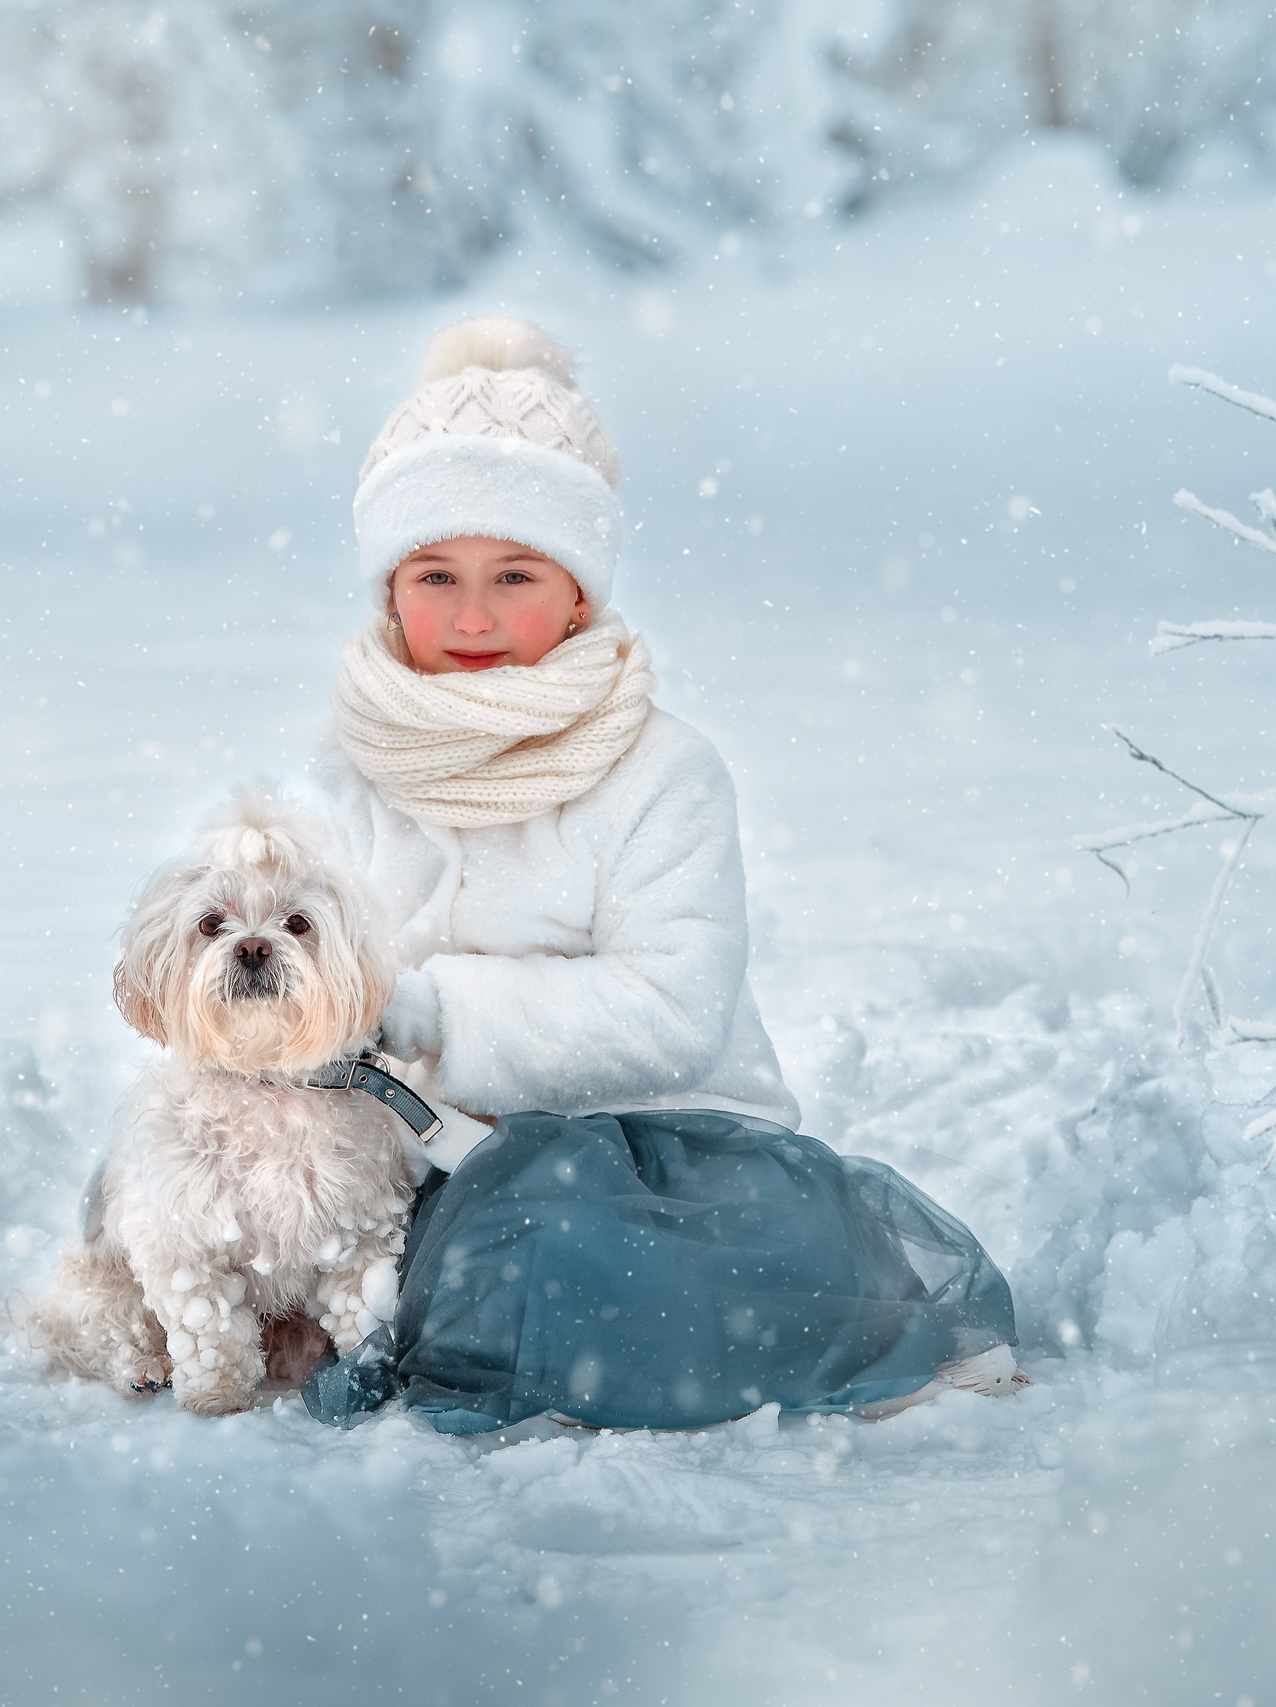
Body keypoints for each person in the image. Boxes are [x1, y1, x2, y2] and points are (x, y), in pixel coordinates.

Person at [298, 317, 1019, 1433]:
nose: (474, 615)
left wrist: (429, 1005)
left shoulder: (662, 771)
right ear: (389, 590)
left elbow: (670, 1011)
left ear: (579, 593)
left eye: (516, 575)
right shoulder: (343, 772)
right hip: (420, 1153)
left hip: (661, 1156)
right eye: (435, 574)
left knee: (565, 1269)